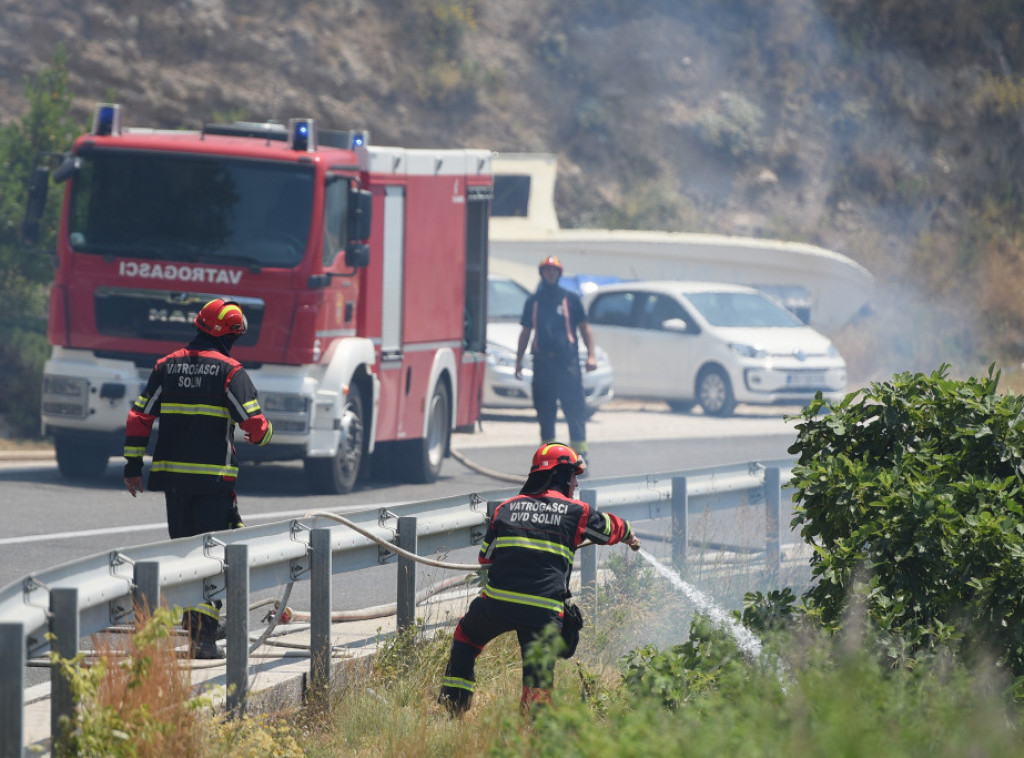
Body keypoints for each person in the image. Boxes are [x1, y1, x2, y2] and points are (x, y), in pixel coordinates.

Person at [438, 443, 640, 715]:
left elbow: (485, 560)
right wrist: (628, 533)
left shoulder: (505, 509)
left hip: (498, 603)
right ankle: (533, 729)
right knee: (537, 679)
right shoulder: (576, 512)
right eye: (573, 476)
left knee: (466, 637)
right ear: (559, 475)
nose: (576, 483)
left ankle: (454, 706)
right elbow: (608, 527)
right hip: (543, 611)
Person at [122, 298, 273, 659]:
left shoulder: (165, 366)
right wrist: (265, 435)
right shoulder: (231, 371)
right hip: (213, 482)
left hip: (173, 481)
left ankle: (200, 627)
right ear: (230, 335)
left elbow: (139, 417)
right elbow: (255, 425)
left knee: (185, 554)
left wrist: (132, 467)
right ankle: (203, 636)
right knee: (214, 555)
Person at [515, 256, 597, 468]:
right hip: (543, 364)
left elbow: (585, 329)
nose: (550, 274)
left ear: (559, 274)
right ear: (541, 273)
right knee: (545, 411)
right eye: (547, 270)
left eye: (554, 270)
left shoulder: (571, 299)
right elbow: (525, 333)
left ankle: (579, 456)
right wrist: (518, 361)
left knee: (574, 409)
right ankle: (548, 461)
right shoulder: (533, 301)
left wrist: (591, 355)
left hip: (567, 363)